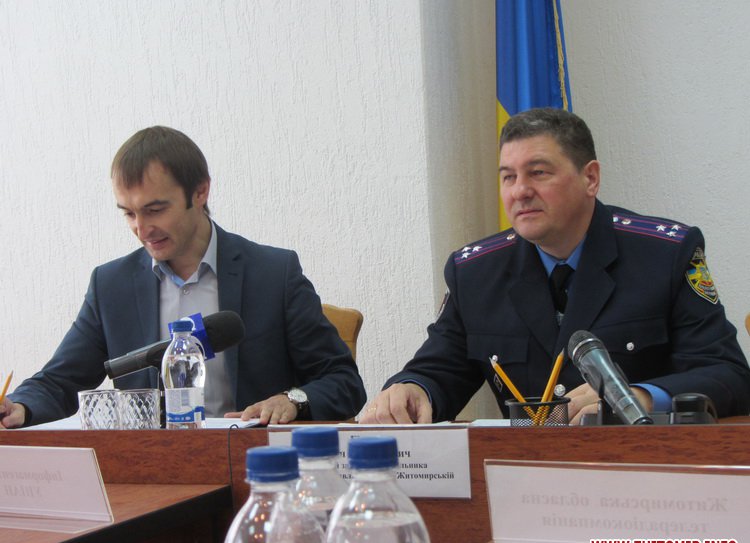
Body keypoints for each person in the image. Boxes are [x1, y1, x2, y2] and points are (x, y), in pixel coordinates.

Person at [360, 107, 750, 425]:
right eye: (508, 177)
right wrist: (413, 389)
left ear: (590, 178)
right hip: (524, 475)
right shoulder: (475, 272)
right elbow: (439, 370)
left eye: (538, 173)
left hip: (641, 468)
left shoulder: (664, 254)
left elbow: (728, 374)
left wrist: (641, 397)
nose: (520, 191)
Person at [1, 126, 366, 428]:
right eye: (128, 214)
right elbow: (59, 381)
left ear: (200, 191)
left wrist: (292, 400)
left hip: (253, 466)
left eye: (155, 210)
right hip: (154, 474)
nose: (142, 229)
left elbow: (343, 381)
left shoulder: (273, 274)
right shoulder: (111, 285)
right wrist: (19, 406)